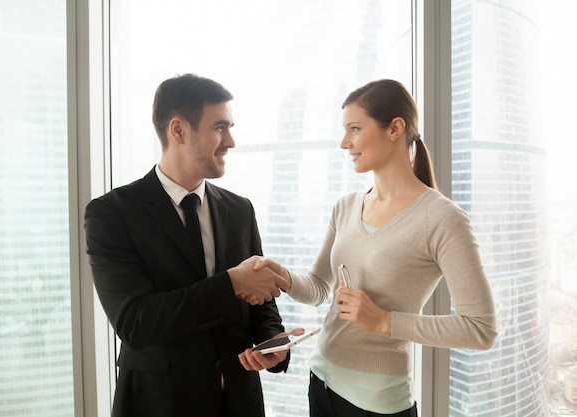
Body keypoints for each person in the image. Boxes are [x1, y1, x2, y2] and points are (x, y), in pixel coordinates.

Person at [244, 79, 497, 417]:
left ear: (395, 128)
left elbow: (480, 329)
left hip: (377, 402)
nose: (344, 142)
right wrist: (285, 277)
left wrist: (384, 321)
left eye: (354, 129)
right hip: (321, 381)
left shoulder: (442, 219)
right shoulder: (346, 206)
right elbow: (321, 289)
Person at [84, 73, 291, 417]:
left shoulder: (240, 209)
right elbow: (136, 322)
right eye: (220, 127)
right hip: (160, 405)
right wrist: (232, 283)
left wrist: (274, 340)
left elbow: (261, 302)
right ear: (178, 130)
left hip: (239, 404)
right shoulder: (112, 214)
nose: (231, 141)